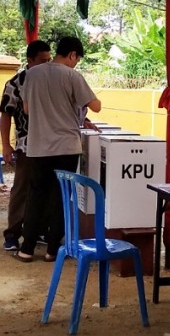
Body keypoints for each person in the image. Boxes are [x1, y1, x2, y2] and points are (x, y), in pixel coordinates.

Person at [15, 37, 101, 262]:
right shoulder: (72, 75)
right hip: (66, 147)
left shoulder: (32, 74)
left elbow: (26, 108)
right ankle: (53, 250)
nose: (76, 63)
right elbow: (96, 106)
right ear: (72, 55)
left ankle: (27, 249)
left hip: (38, 147)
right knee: (61, 196)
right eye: (77, 59)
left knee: (36, 196)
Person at [1, 40, 52, 251]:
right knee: (22, 188)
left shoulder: (52, 81)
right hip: (26, 145)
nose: (47, 65)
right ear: (30, 60)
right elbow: (5, 114)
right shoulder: (15, 84)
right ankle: (12, 233)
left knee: (45, 189)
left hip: (52, 145)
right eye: (42, 61)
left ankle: (39, 230)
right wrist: (6, 145)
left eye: (49, 60)